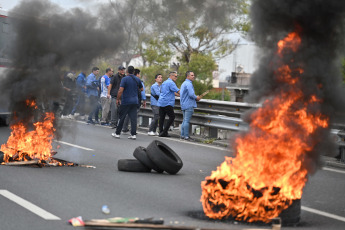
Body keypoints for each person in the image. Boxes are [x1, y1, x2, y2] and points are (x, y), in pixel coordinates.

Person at [111, 66, 143, 140]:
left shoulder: (124, 79)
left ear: (127, 71)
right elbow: (141, 89)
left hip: (126, 101)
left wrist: (118, 99)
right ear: (133, 72)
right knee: (133, 118)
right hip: (135, 101)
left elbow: (120, 90)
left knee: (122, 117)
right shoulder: (137, 79)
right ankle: (133, 134)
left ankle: (117, 133)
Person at [122, 68, 146, 133]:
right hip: (136, 100)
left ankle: (124, 127)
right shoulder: (138, 81)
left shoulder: (126, 79)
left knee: (127, 114)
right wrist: (144, 100)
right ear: (137, 74)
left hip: (127, 100)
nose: (139, 75)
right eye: (139, 74)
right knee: (134, 115)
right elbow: (142, 91)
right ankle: (133, 130)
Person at [180, 71, 201, 141]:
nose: (193, 76)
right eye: (192, 75)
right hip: (188, 104)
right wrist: (197, 98)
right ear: (188, 76)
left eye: (193, 75)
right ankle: (186, 136)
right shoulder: (189, 84)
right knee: (186, 121)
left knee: (184, 120)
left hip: (183, 104)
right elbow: (191, 94)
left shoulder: (184, 83)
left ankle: (182, 135)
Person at [157, 71, 180, 137]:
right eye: (175, 76)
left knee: (162, 118)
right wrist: (185, 95)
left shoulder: (165, 82)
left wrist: (177, 95)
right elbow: (178, 91)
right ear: (171, 76)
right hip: (167, 102)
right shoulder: (171, 83)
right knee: (172, 117)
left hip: (161, 102)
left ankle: (161, 132)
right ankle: (164, 131)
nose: (176, 78)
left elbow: (169, 91)